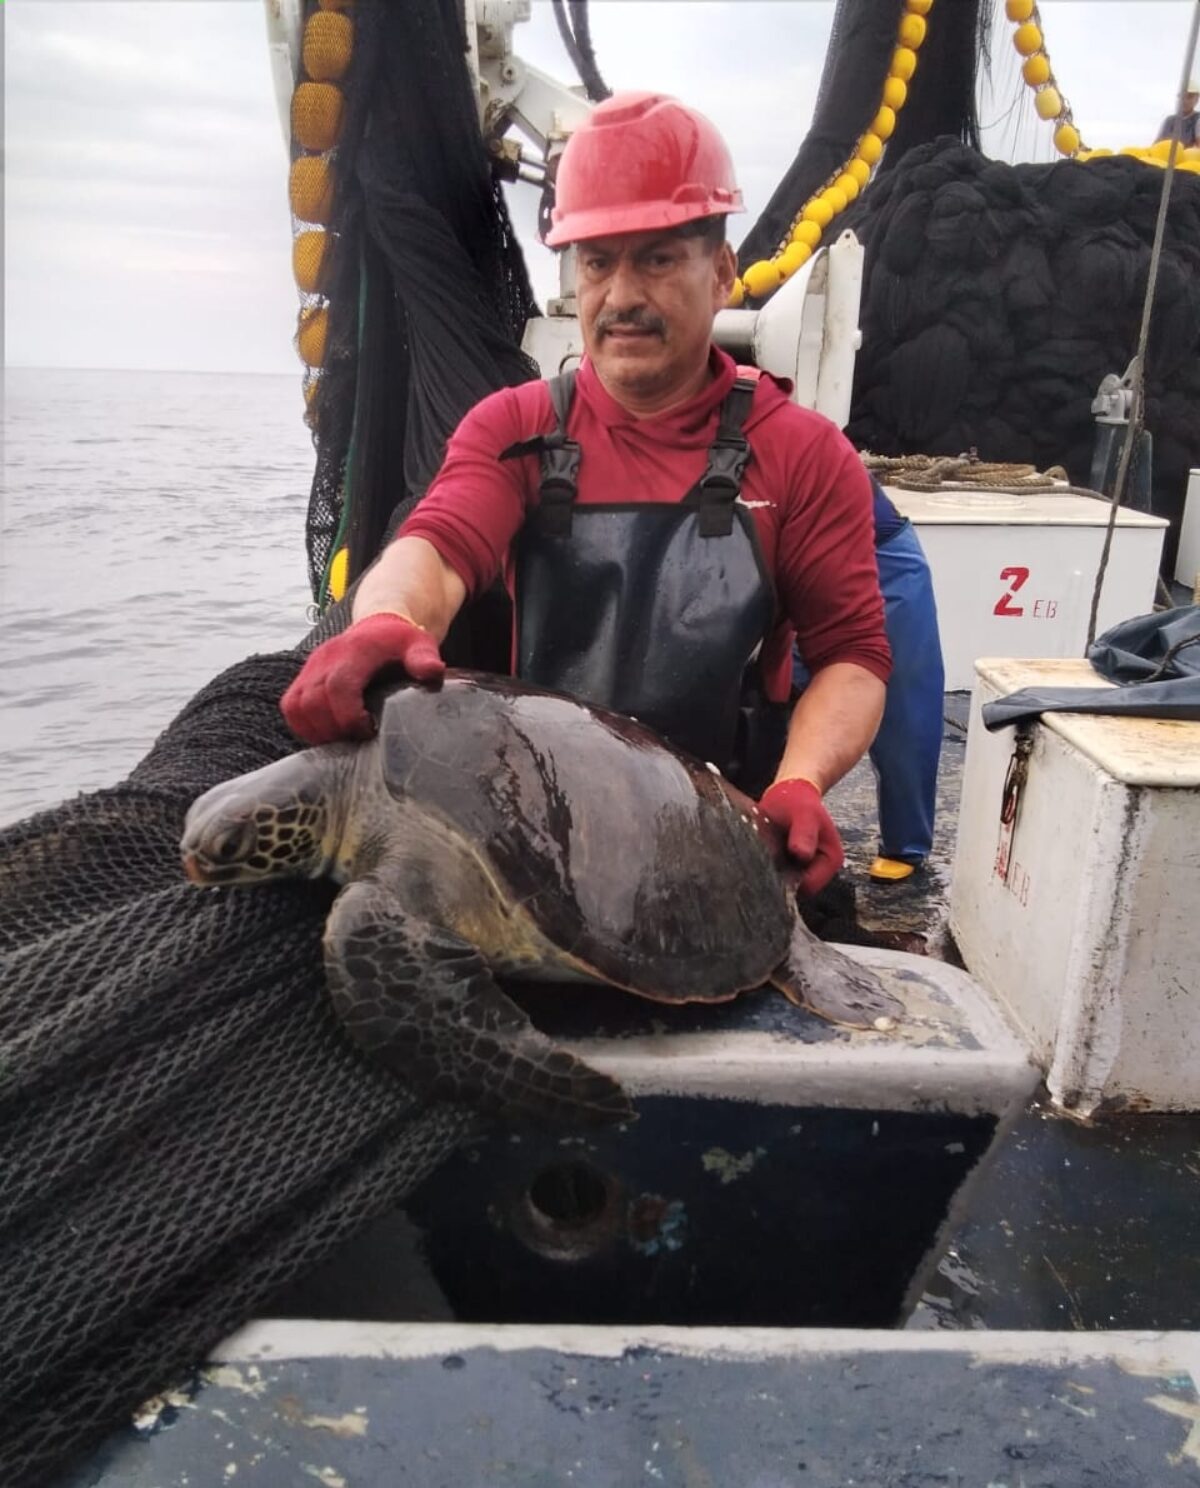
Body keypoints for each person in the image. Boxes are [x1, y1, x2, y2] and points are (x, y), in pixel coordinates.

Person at [282, 91, 891, 898]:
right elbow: (436, 545)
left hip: (718, 825)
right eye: (599, 261)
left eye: (658, 257)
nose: (622, 294)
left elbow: (854, 656)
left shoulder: (805, 455)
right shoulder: (516, 428)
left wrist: (802, 782)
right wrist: (390, 621)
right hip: (538, 827)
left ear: (722, 272)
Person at [793, 477, 944, 883]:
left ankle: (906, 841)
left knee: (905, 706)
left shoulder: (792, 443)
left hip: (882, 555)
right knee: (773, 693)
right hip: (792, 558)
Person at [1157, 79, 1199, 146]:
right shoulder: (1169, 120)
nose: (1185, 101)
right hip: (1164, 155)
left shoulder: (1197, 119)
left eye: (1189, 97)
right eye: (1182, 96)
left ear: (1197, 99)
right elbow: (1156, 144)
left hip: (1188, 156)